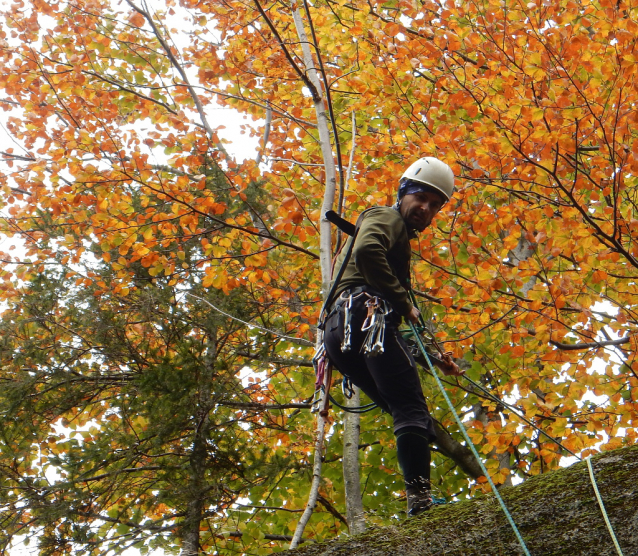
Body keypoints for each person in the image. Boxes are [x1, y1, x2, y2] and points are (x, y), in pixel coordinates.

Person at [323, 157, 464, 517]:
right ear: (402, 192)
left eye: (435, 205)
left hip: (342, 332)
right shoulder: (385, 217)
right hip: (365, 315)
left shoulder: (395, 234)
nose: (426, 208)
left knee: (401, 407)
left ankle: (418, 497)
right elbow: (368, 250)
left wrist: (434, 357)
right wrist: (403, 301)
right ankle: (420, 501)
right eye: (421, 197)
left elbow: (398, 330)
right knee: (411, 408)